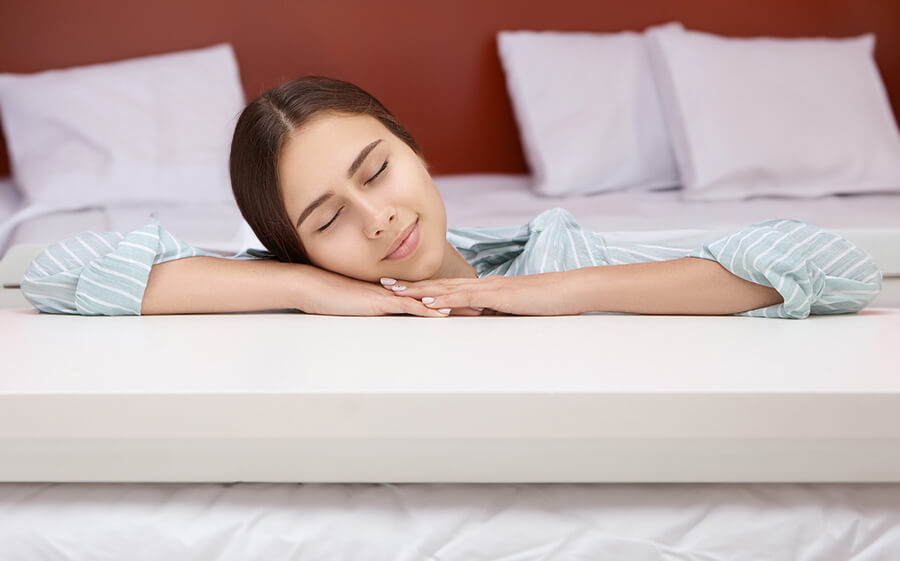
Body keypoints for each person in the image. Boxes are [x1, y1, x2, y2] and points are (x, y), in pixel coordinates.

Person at [21, 77, 882, 319]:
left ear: (417, 153)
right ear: (296, 245)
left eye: (377, 172)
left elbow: (831, 265)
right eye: (325, 221)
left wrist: (540, 294)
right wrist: (308, 288)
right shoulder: (297, 294)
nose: (377, 220)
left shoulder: (554, 251)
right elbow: (54, 275)